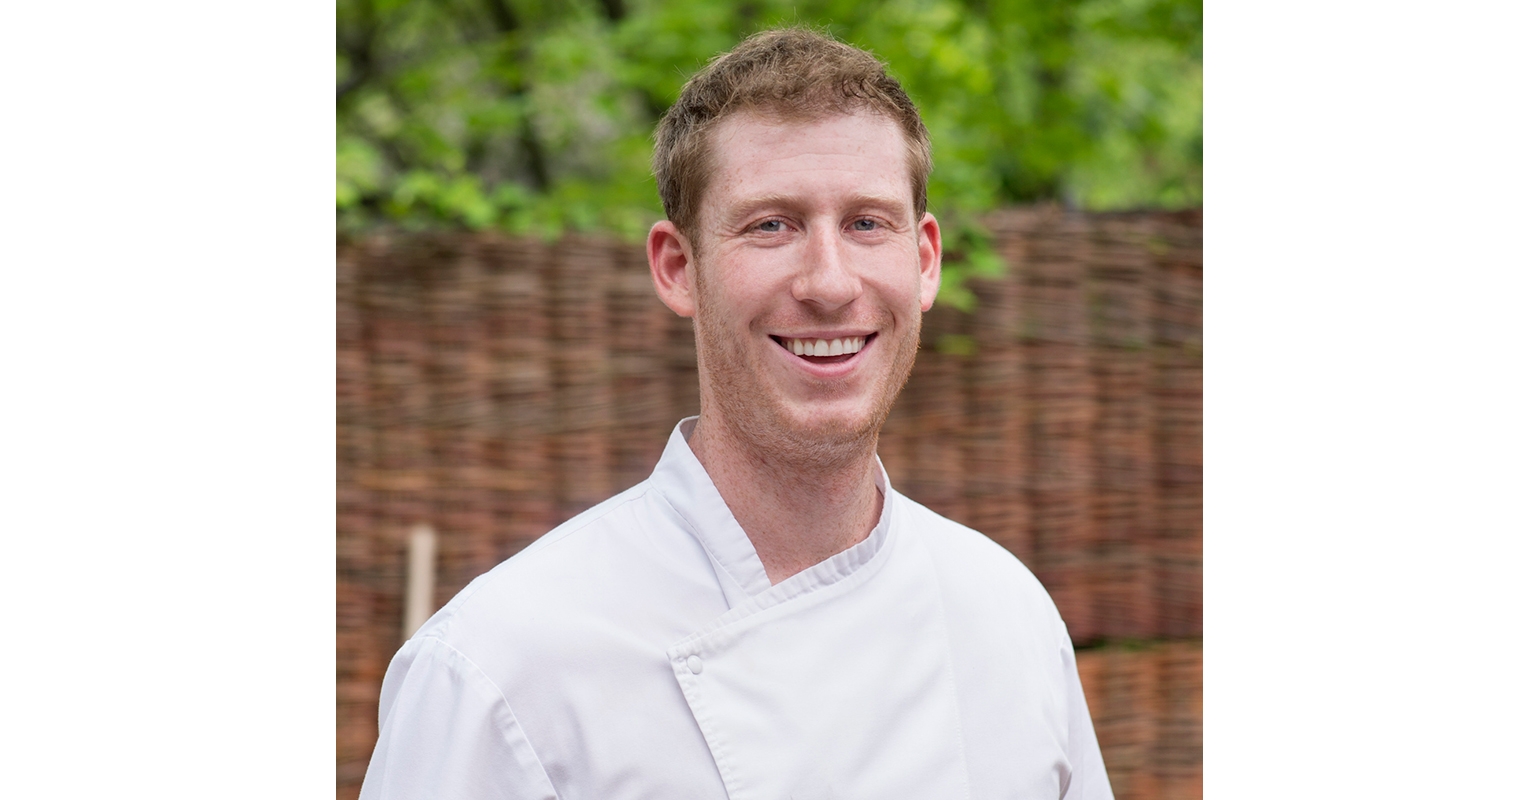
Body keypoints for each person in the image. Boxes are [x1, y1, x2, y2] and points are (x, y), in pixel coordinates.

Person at [360, 28, 1113, 800]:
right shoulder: (496, 673)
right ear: (678, 268)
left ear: (924, 261)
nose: (829, 283)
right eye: (770, 225)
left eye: (866, 223)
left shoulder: (1007, 613)